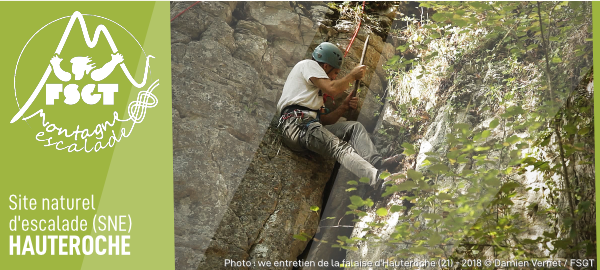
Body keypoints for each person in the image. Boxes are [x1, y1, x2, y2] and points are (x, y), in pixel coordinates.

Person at [277, 42, 402, 197]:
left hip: (306, 125)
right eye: (335, 72)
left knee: (353, 127)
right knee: (339, 148)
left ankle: (378, 164)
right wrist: (352, 75)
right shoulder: (308, 65)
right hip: (296, 123)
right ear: (325, 66)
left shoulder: (310, 93)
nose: (335, 77)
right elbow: (332, 88)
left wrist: (343, 107)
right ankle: (379, 181)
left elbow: (325, 121)